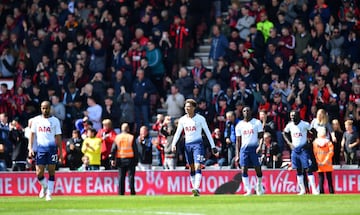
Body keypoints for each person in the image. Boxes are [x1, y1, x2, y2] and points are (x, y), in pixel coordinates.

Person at [171, 99, 218, 197]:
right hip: (187, 145)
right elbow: (178, 133)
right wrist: (173, 144)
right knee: (191, 167)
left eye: (189, 106)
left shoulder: (200, 119)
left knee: (197, 166)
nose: (187, 108)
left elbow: (208, 132)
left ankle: (196, 188)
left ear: (193, 108)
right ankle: (195, 190)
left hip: (198, 145)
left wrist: (213, 146)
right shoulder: (183, 120)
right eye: (185, 107)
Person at [27, 101, 63, 201]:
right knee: (39, 173)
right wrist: (30, 148)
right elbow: (32, 134)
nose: (45, 110)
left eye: (47, 108)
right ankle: (45, 187)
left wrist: (61, 151)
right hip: (40, 149)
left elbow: (58, 136)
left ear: (50, 108)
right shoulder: (36, 120)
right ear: (41, 108)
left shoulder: (55, 121)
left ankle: (49, 193)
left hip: (52, 149)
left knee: (52, 171)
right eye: (43, 108)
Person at [283, 110, 319, 195]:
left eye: (294, 115)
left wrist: (310, 142)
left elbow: (314, 132)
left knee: (308, 168)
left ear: (298, 116)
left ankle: (314, 189)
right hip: (295, 150)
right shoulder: (290, 125)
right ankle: (302, 190)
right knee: (298, 170)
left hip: (303, 149)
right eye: (291, 116)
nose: (292, 117)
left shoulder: (304, 124)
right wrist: (289, 143)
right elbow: (284, 133)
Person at [235, 106, 264, 196]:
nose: (246, 112)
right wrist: (237, 154)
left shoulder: (257, 122)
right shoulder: (239, 125)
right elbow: (238, 141)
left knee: (257, 169)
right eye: (244, 111)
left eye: (248, 110)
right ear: (242, 113)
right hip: (244, 149)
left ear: (251, 112)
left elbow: (261, 136)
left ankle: (259, 186)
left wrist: (260, 146)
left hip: (254, 148)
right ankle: (248, 190)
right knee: (244, 169)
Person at [111, 123, 138, 195]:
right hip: (130, 159)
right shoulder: (131, 137)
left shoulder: (117, 137)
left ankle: (121, 192)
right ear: (128, 129)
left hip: (120, 159)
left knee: (121, 177)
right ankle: (132, 192)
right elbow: (135, 149)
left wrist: (112, 159)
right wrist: (136, 160)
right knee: (131, 176)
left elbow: (113, 149)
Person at [313, 127, 335, 194]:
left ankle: (321, 192)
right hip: (328, 163)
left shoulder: (315, 143)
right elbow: (331, 152)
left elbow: (314, 153)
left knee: (321, 179)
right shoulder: (329, 142)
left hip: (319, 164)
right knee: (329, 179)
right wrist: (325, 161)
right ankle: (331, 192)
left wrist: (318, 162)